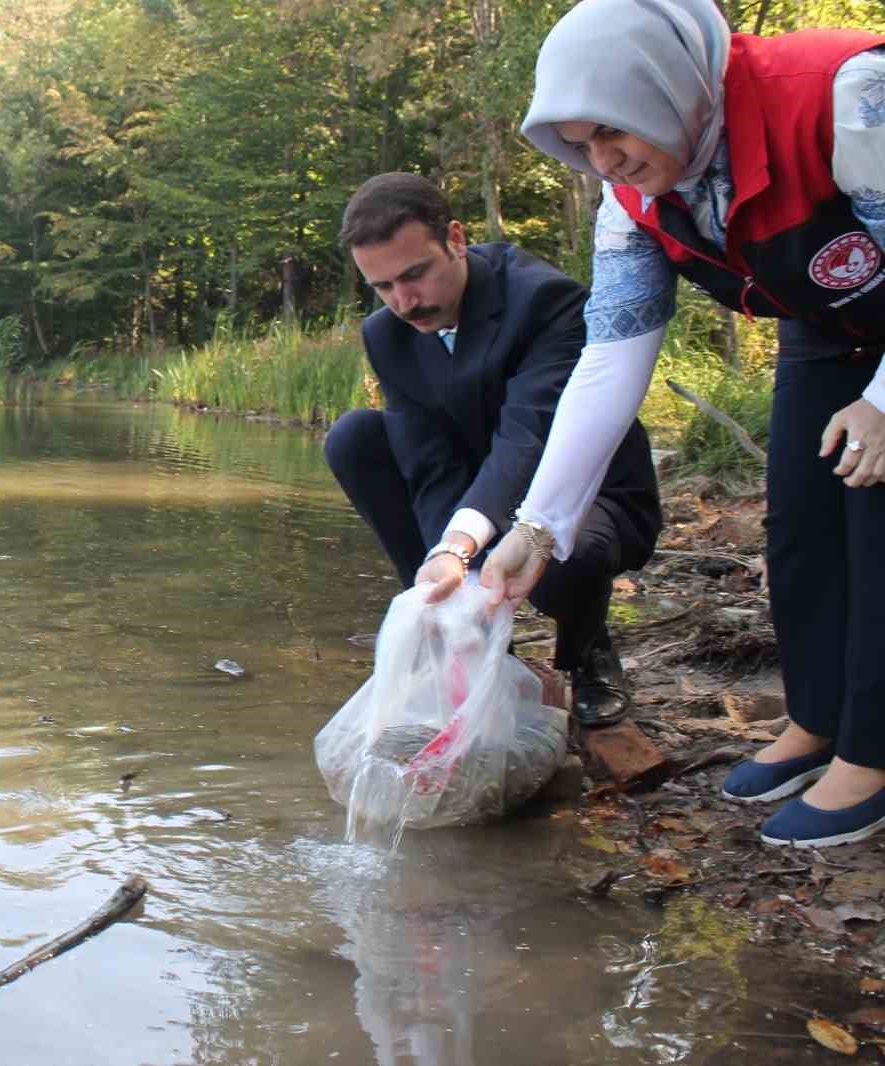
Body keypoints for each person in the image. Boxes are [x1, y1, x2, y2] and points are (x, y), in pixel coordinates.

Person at [487, 0, 885, 846]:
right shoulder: (630, 200)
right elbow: (611, 360)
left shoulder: (847, 94)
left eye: (612, 130)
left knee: (876, 506)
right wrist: (539, 527)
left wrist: (884, 403)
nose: (605, 158)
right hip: (827, 325)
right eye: (582, 143)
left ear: (661, 88)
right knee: (801, 522)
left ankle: (875, 751)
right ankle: (816, 719)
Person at [324, 173, 663, 727]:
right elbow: (427, 461)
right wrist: (447, 561)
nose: (405, 302)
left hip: (582, 494)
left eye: (415, 274)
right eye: (383, 287)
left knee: (558, 554)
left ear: (456, 239)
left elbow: (527, 437)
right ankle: (461, 634)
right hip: (475, 489)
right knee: (356, 438)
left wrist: (462, 542)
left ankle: (587, 651)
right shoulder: (386, 333)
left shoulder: (544, 301)